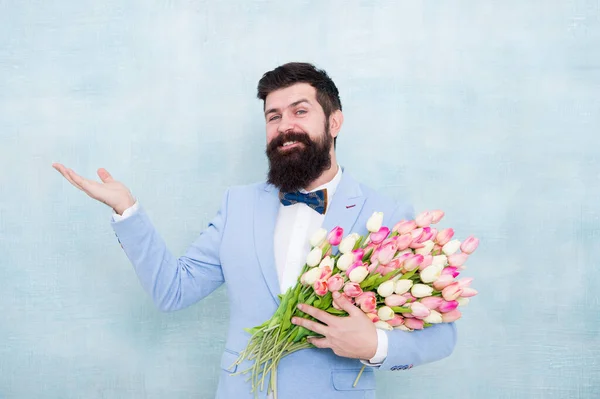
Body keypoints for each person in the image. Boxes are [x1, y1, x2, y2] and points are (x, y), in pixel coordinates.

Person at [52, 62, 457, 399]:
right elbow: (172, 291)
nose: (285, 126)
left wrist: (375, 345)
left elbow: (443, 336)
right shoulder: (237, 205)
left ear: (334, 122)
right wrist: (128, 210)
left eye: (300, 111)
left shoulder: (385, 215)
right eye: (273, 116)